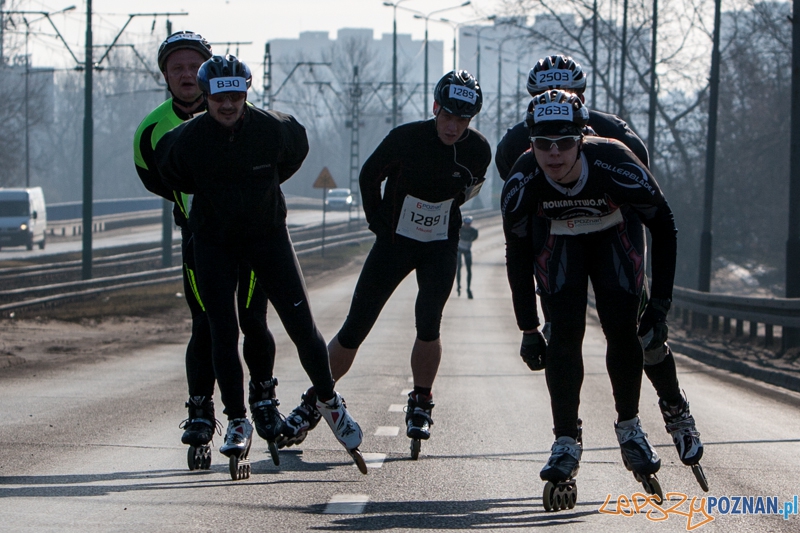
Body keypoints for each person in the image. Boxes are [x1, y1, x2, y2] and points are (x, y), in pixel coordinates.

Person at [155, 54, 365, 471]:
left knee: (301, 324)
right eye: (219, 97)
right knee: (222, 330)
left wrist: (262, 186)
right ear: (205, 95)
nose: (228, 105)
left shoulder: (275, 129)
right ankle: (236, 419)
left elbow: (293, 155)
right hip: (213, 241)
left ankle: (328, 400)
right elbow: (172, 173)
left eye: (236, 95)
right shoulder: (186, 140)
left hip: (267, 237)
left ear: (247, 93)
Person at [498, 55, 703, 475]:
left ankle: (663, 412)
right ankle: (565, 439)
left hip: (615, 229)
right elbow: (517, 248)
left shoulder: (616, 148)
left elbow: (661, 224)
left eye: (566, 138)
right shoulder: (518, 161)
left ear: (583, 116)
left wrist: (659, 304)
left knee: (632, 331)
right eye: (542, 140)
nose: (553, 150)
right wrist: (529, 326)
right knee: (563, 334)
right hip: (558, 236)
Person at [281, 70, 492, 450]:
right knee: (356, 325)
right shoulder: (407, 138)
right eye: (447, 116)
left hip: (440, 243)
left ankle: (422, 401)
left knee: (429, 321)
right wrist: (377, 221)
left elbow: (467, 191)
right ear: (435, 108)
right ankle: (315, 402)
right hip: (395, 242)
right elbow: (368, 176)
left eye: (462, 120)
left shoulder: (478, 150)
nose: (453, 126)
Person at [133, 32, 281, 462]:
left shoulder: (239, 111)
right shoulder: (151, 130)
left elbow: (275, 158)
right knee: (207, 325)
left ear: (205, 71)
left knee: (253, 319)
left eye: (190, 67)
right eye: (175, 68)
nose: (184, 75)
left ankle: (264, 397)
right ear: (165, 75)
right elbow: (156, 177)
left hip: (252, 237)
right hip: (201, 240)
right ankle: (201, 409)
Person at [456, 215, 479, 298]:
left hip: (467, 250)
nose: (467, 225)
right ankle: (458, 286)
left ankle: (468, 288)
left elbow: (475, 237)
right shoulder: (460, 229)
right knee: (459, 268)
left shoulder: (474, 231)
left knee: (469, 270)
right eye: (466, 223)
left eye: (469, 224)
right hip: (459, 249)